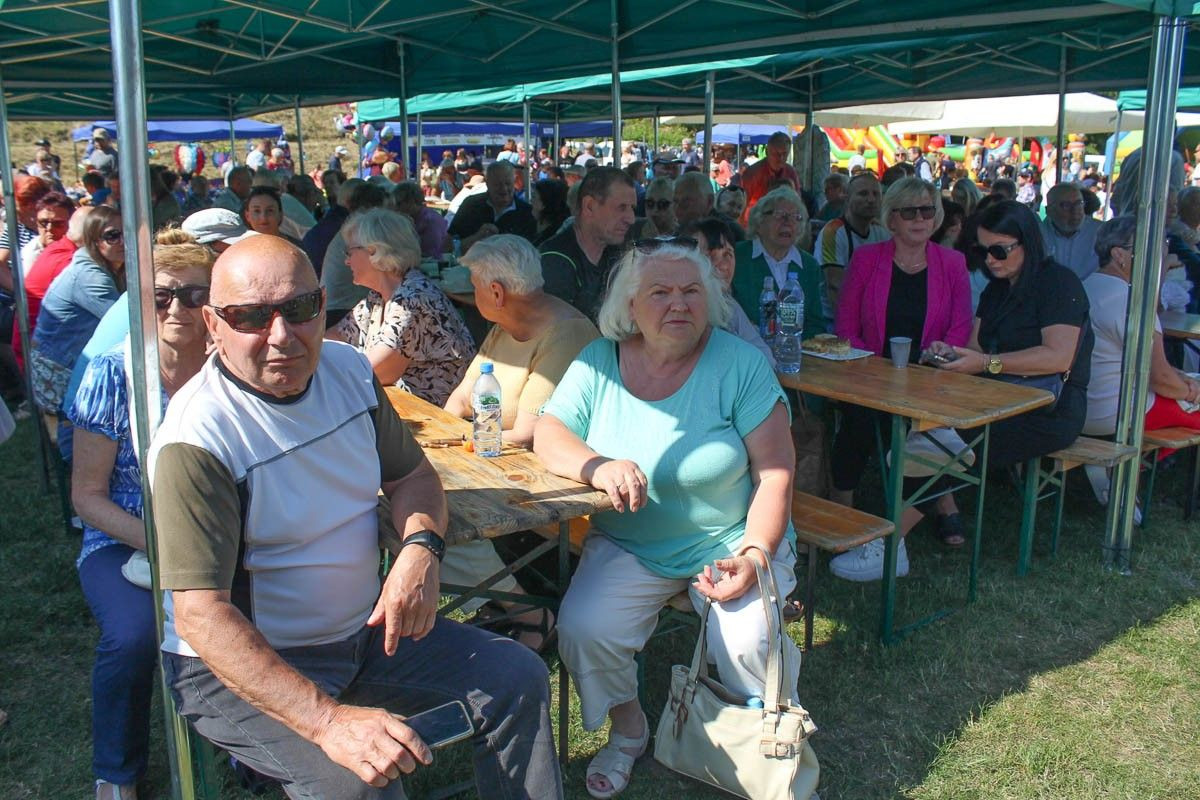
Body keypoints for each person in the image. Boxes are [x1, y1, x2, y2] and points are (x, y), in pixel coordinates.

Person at [149, 235, 560, 800]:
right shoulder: (198, 438)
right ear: (213, 324)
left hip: (361, 634)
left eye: (298, 309)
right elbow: (201, 617)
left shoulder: (347, 371)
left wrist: (421, 551)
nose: (280, 335)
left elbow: (413, 478)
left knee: (519, 677)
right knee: (359, 781)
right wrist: (328, 722)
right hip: (243, 665)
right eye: (249, 317)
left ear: (323, 306)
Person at [534, 239, 800, 799]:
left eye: (691, 291)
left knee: (747, 637)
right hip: (632, 543)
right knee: (585, 629)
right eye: (660, 292)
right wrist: (596, 465)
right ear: (630, 305)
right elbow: (550, 432)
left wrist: (754, 556)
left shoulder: (740, 364)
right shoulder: (600, 360)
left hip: (730, 538)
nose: (678, 304)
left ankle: (762, 746)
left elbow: (776, 473)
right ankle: (629, 732)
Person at [69, 239, 214, 800]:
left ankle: (255, 748)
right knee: (133, 636)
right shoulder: (113, 373)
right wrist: (162, 543)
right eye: (161, 296)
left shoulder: (230, 369)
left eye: (193, 294)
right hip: (123, 536)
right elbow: (87, 496)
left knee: (259, 614)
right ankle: (117, 772)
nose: (177, 309)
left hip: (215, 533)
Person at [437, 235, 599, 649]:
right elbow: (459, 397)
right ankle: (502, 599)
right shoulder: (504, 326)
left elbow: (530, 434)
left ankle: (524, 609)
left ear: (496, 292)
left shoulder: (567, 334)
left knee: (440, 511)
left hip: (550, 478)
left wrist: (460, 443)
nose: (471, 293)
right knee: (423, 495)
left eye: (474, 284)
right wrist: (456, 437)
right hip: (498, 460)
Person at [829, 178, 974, 579]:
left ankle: (928, 508)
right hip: (870, 374)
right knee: (855, 431)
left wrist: (942, 351)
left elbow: (961, 327)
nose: (919, 218)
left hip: (931, 376)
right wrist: (875, 371)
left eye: (927, 210)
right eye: (909, 211)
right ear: (891, 219)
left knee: (929, 435)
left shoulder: (953, 264)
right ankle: (844, 521)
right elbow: (847, 326)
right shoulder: (867, 259)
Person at [930, 200, 1093, 470]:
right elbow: (976, 349)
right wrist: (952, 355)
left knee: (943, 444)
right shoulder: (997, 289)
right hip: (997, 398)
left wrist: (986, 364)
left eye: (999, 250)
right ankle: (940, 508)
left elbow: (1058, 358)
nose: (990, 259)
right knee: (926, 432)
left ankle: (907, 510)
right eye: (982, 251)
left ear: (1027, 243)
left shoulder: (1059, 283)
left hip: (1049, 410)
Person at [1082, 216, 1200, 501]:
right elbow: (1161, 380)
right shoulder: (1129, 301)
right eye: (1151, 248)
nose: (1158, 254)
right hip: (1118, 412)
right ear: (1119, 254)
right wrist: (1191, 390)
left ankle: (1116, 470)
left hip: (1081, 406)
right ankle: (1118, 471)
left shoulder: (1087, 286)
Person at [328, 207, 474, 405]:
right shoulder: (378, 298)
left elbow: (373, 371)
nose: (346, 261)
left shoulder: (414, 299)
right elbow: (338, 334)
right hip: (409, 412)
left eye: (349, 252)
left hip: (438, 421)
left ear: (373, 251)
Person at [29, 205, 125, 417]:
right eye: (113, 236)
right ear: (93, 240)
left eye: (127, 232)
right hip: (58, 370)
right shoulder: (90, 276)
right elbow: (129, 324)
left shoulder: (109, 267)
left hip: (69, 359)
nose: (123, 241)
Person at [731, 185, 828, 339]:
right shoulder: (736, 257)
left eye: (796, 217)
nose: (788, 222)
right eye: (780, 215)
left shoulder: (809, 266)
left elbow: (816, 325)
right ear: (759, 221)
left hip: (795, 357)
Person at [539, 166, 635, 322]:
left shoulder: (617, 254)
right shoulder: (555, 261)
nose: (630, 218)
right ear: (589, 206)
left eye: (632, 208)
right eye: (621, 208)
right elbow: (561, 336)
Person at [678, 216, 774, 366]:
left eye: (728, 254)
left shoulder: (729, 305)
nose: (723, 265)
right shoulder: (678, 311)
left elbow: (767, 359)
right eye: (710, 256)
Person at [813, 172, 888, 318]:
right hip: (833, 319)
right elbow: (835, 286)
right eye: (863, 194)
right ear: (847, 198)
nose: (871, 199)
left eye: (876, 194)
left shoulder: (881, 232)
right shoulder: (833, 232)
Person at [447, 161, 537, 253]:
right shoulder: (471, 205)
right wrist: (477, 238)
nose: (504, 188)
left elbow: (532, 251)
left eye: (508, 183)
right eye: (498, 184)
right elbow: (449, 244)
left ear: (514, 182)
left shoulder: (526, 212)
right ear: (487, 183)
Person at [0, 174, 51, 293]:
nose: (14, 214)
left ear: (31, 206)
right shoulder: (17, 227)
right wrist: (22, 292)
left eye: (17, 209)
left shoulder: (53, 229)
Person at [1040, 183, 1100, 280]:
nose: (1075, 210)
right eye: (1066, 205)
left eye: (1079, 203)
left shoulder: (1102, 233)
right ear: (1049, 210)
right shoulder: (1037, 234)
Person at [739, 131, 800, 225]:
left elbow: (797, 203)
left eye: (784, 154)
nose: (781, 158)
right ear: (767, 151)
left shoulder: (791, 172)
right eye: (776, 154)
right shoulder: (753, 173)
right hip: (756, 225)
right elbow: (742, 205)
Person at [391, 180, 448, 260]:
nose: (395, 208)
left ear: (411, 202)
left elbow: (430, 253)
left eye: (399, 203)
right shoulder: (409, 218)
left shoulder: (430, 221)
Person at [530, 178, 570, 247]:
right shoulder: (563, 232)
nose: (530, 200)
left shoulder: (548, 242)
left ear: (544, 204)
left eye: (534, 197)